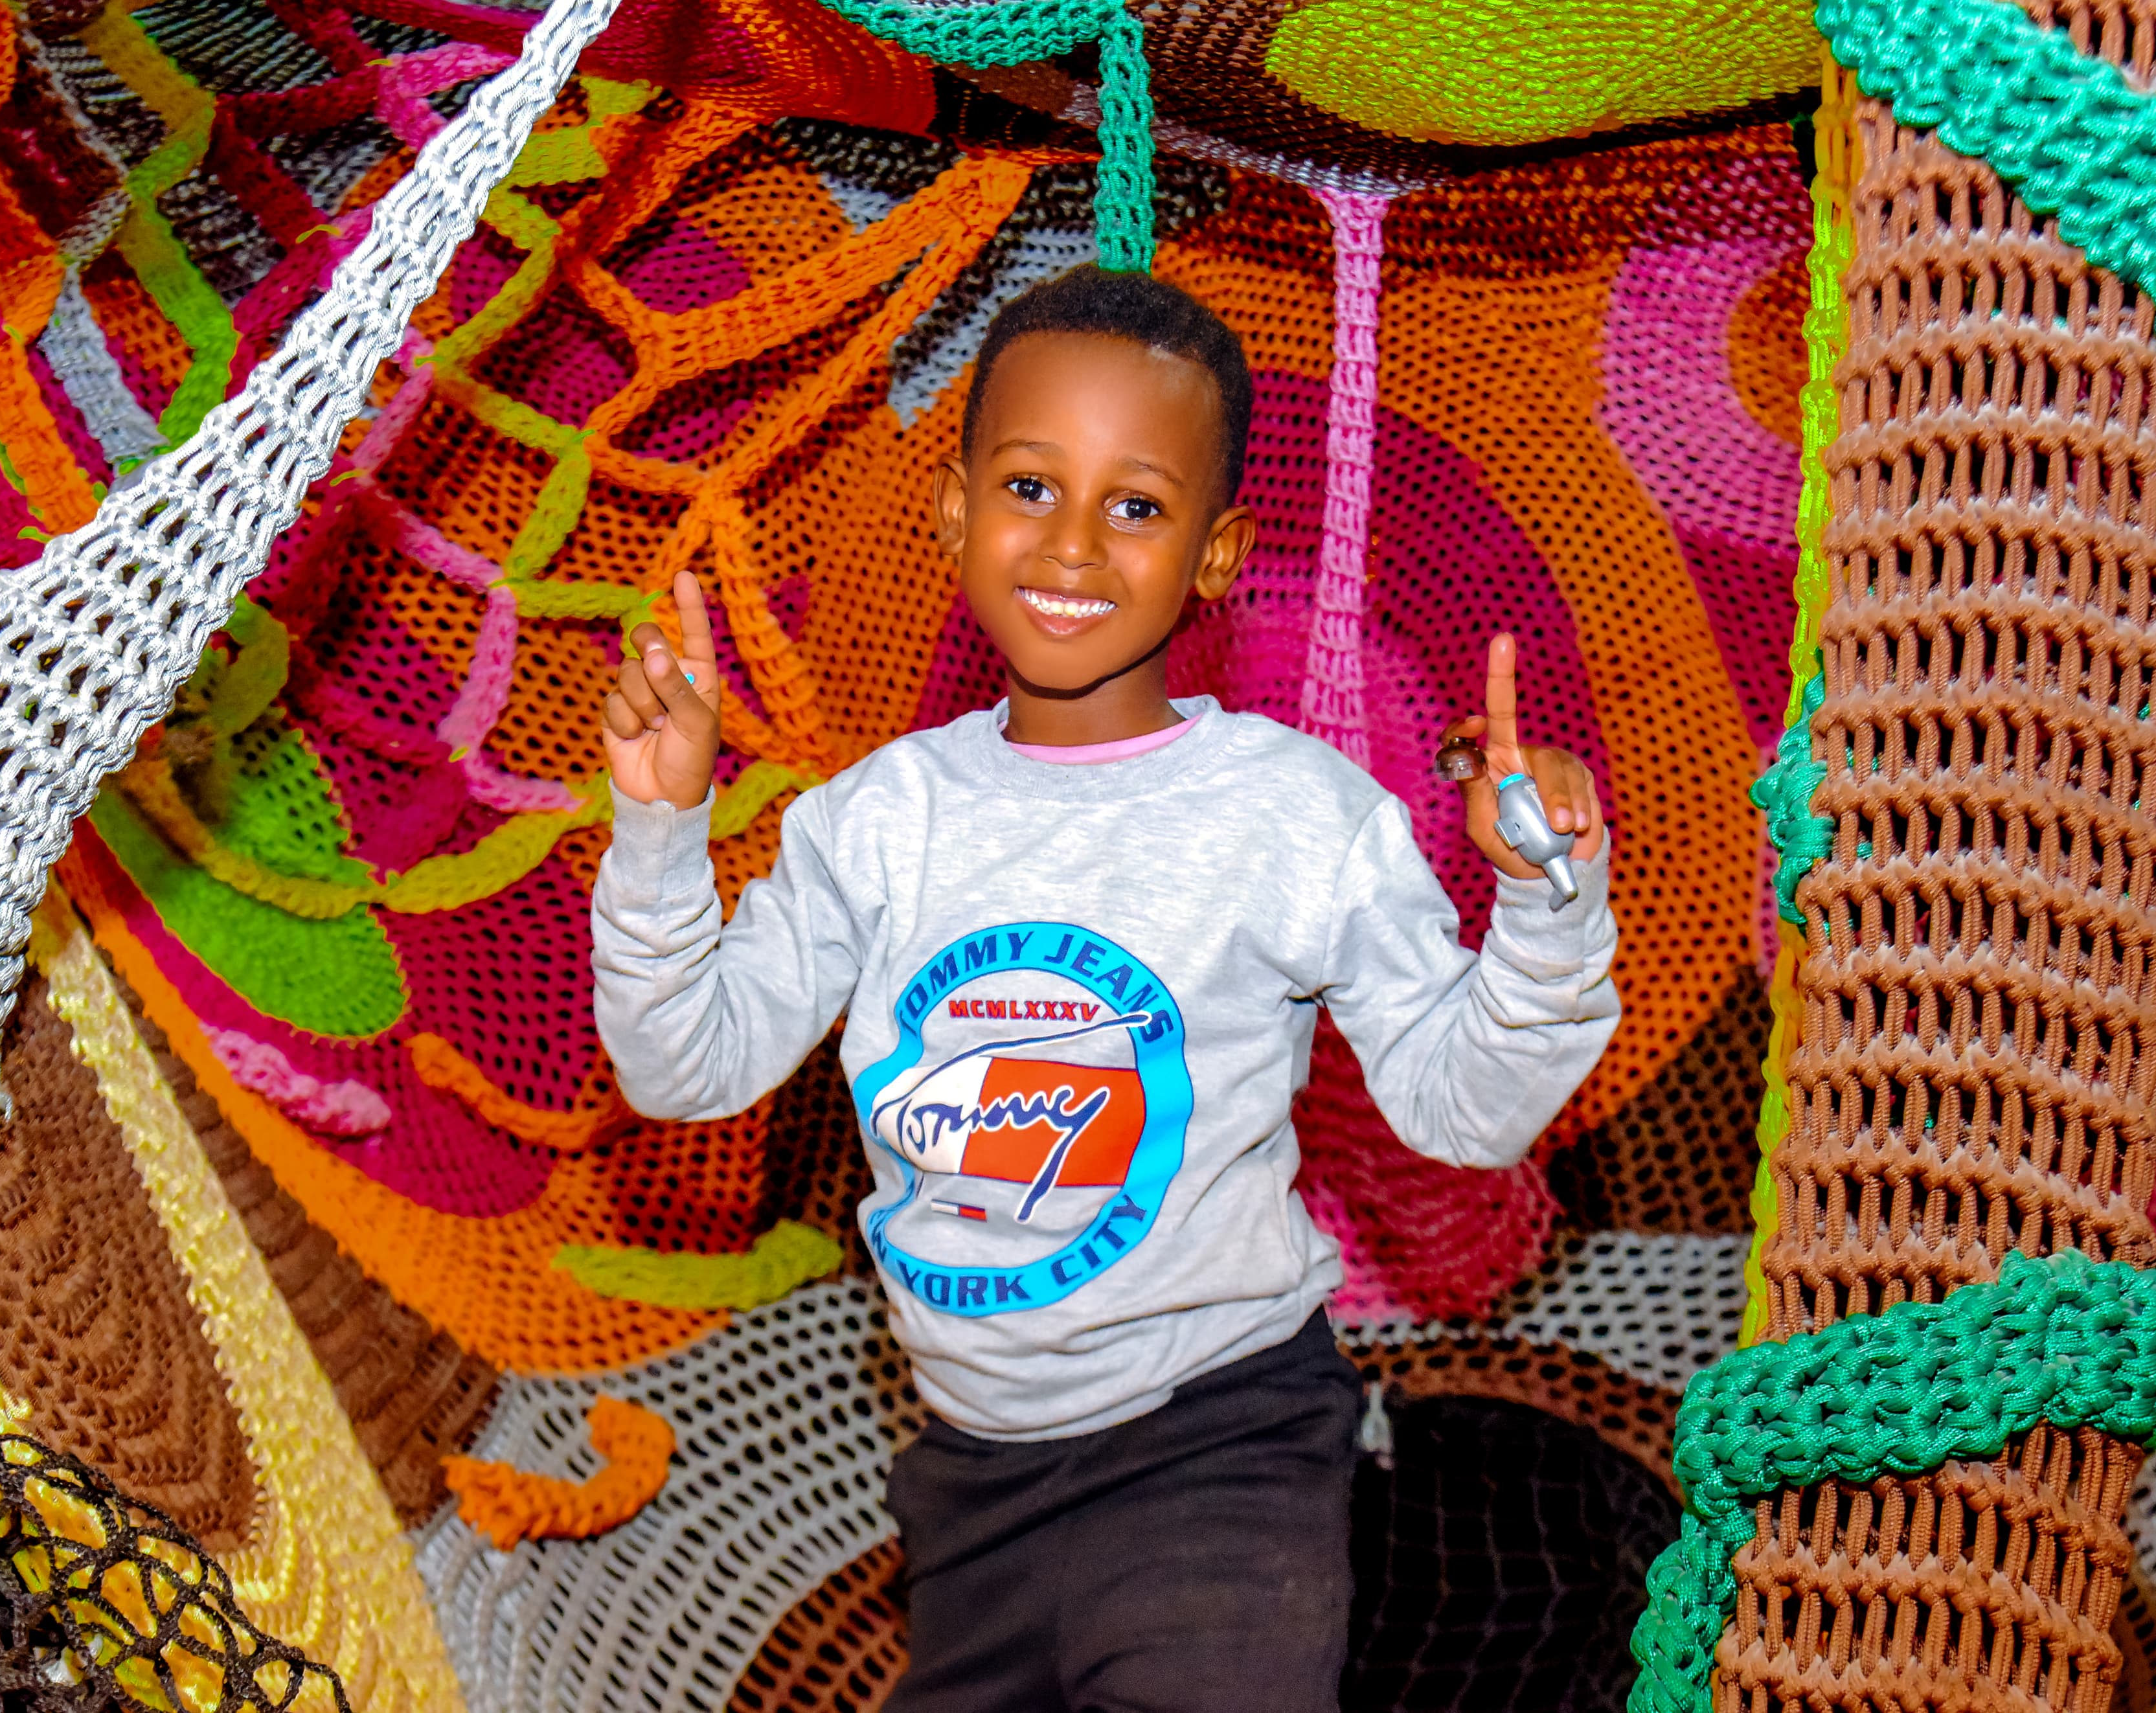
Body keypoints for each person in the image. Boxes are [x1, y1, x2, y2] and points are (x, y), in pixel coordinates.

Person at [591, 266, 1618, 1712]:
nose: (1074, 545)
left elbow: (1467, 1109)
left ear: (1214, 552)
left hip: (1224, 1440)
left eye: (1136, 505)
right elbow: (684, 1067)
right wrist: (657, 829)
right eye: (1029, 485)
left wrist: (1546, 898)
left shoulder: (1288, 813)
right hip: (969, 1474)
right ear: (954, 510)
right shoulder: (876, 820)